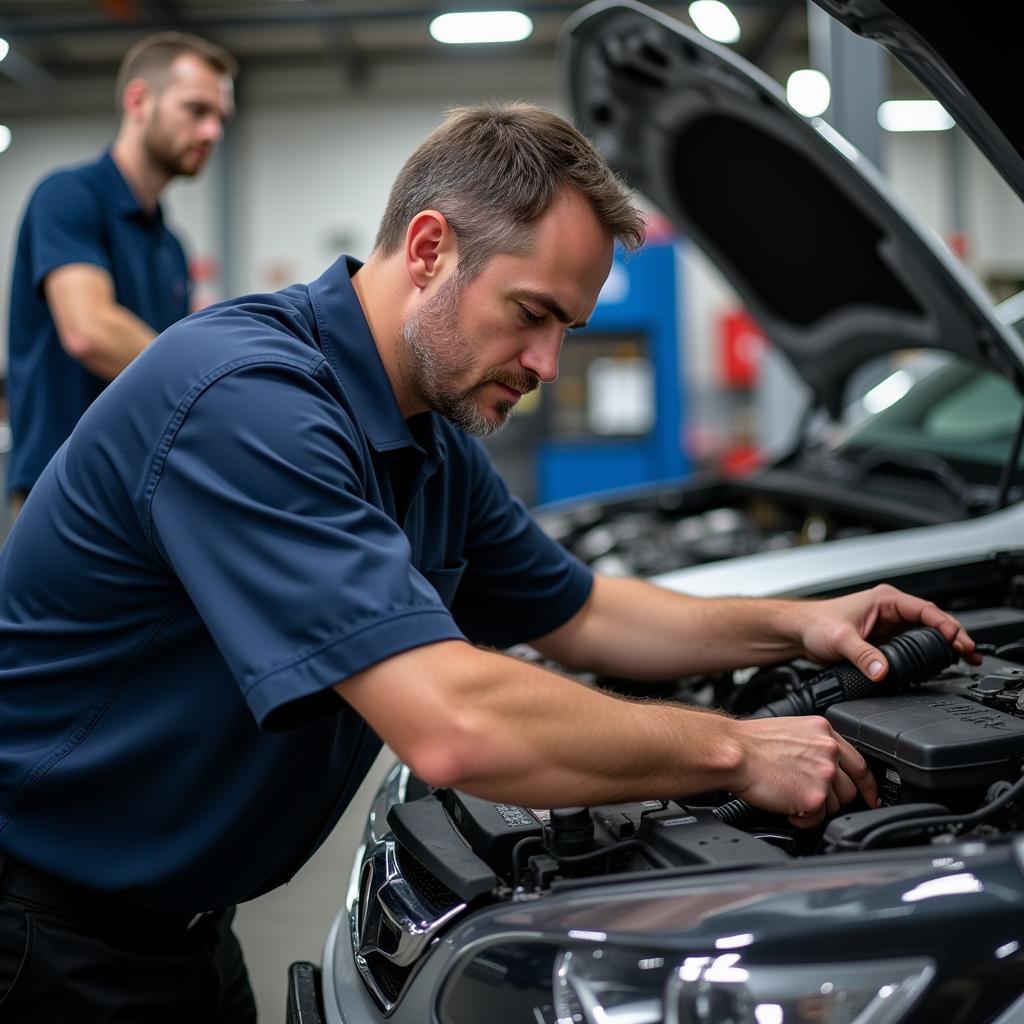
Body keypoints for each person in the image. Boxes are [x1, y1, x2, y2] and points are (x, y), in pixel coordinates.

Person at [0, 104, 976, 1021]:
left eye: (569, 330)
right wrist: (736, 748)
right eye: (531, 312)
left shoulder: (428, 437)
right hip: (44, 934)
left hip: (183, 928)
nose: (549, 365)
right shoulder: (248, 404)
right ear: (428, 249)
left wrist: (799, 621)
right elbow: (453, 725)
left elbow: (583, 611)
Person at [4, 31, 236, 516]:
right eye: (196, 110)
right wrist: (219, 386)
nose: (212, 131)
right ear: (139, 100)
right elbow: (89, 330)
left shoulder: (171, 247)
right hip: (59, 491)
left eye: (220, 118)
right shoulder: (68, 196)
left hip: (136, 494)